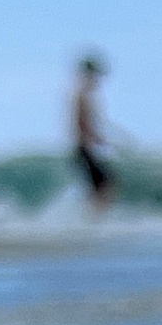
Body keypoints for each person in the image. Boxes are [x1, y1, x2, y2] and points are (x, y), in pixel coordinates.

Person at [71, 54, 116, 214]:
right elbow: (82, 123)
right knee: (106, 183)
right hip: (84, 147)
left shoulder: (83, 95)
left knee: (99, 186)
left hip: (84, 147)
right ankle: (94, 218)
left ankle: (91, 217)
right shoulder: (82, 95)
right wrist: (96, 137)